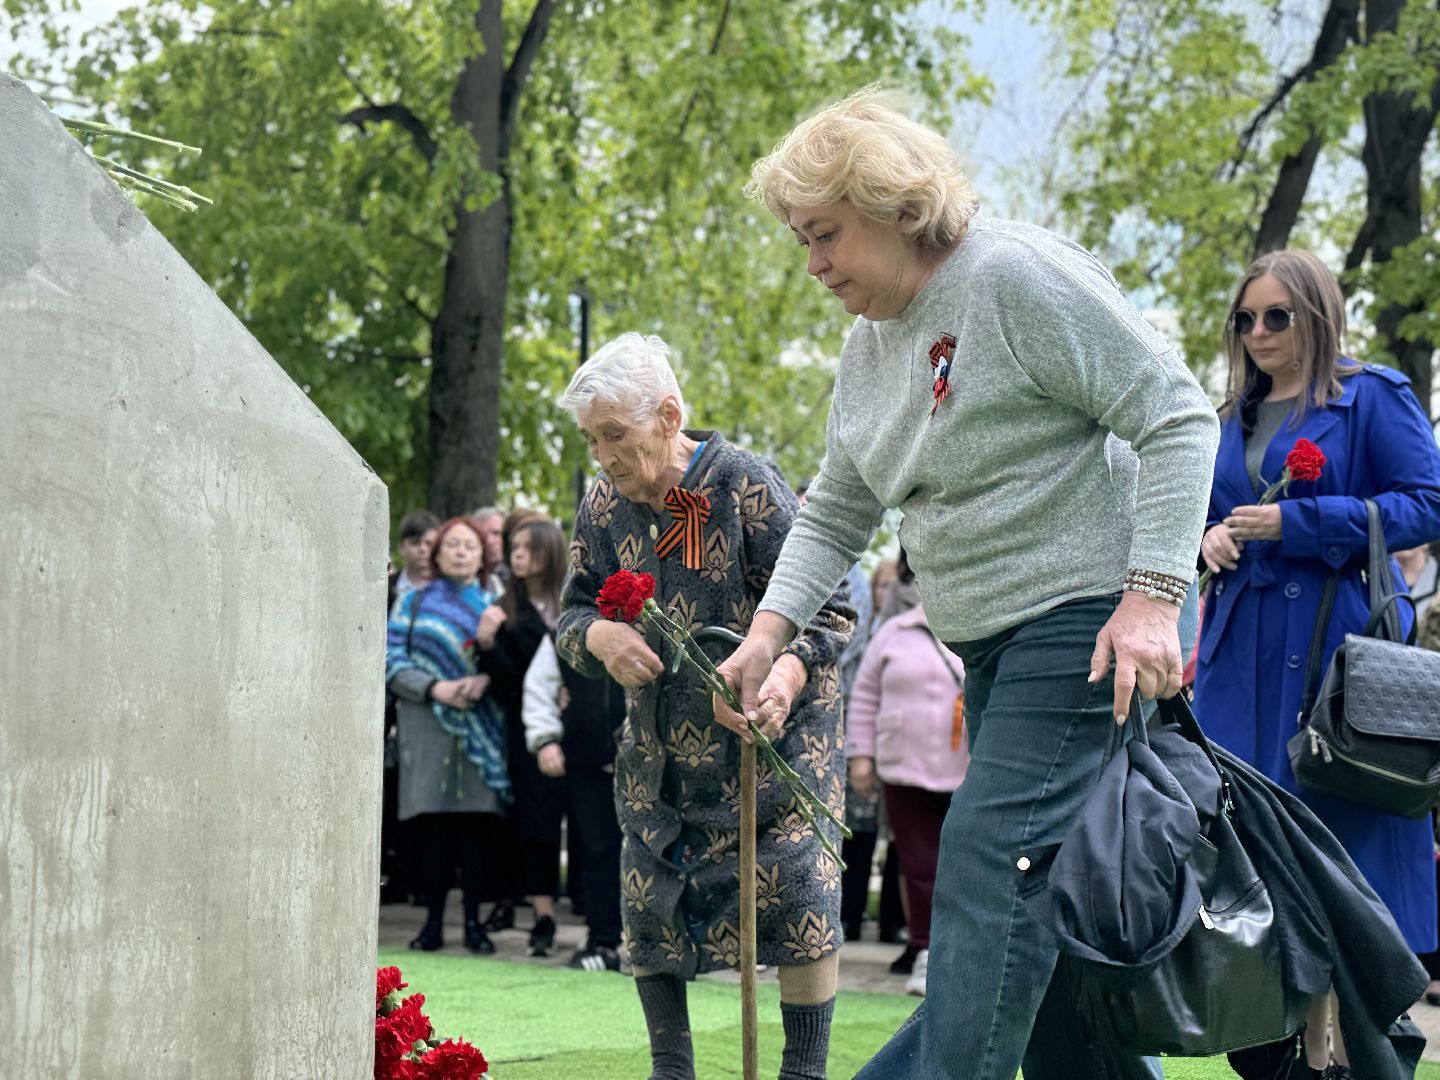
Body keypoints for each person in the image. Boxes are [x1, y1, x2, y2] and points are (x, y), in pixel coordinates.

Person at [725, 88, 1218, 1079]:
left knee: (992, 877)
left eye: (825, 236)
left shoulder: (1012, 278)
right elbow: (836, 508)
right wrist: (765, 635)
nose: (813, 264)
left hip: (1081, 628)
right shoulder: (868, 345)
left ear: (892, 205)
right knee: (1047, 920)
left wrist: (1155, 594)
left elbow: (1177, 414)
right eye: (801, 240)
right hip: (988, 649)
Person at [555, 332, 854, 1080]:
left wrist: (781, 682)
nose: (604, 458)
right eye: (593, 440)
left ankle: (803, 1072)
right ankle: (672, 1070)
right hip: (659, 759)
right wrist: (599, 639)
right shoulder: (600, 503)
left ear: (668, 414)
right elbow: (567, 616)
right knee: (650, 897)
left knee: (795, 890)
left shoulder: (746, 484)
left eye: (614, 436)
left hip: (773, 749)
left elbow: (831, 610)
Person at [1191, 249, 1440, 1079]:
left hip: (1339, 677)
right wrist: (1210, 537)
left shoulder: (1372, 397)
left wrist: (1299, 526)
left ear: (1317, 313)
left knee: (1342, 880)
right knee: (1247, 874)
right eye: (1245, 319)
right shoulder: (1231, 417)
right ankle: (1277, 1055)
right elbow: (1206, 512)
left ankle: (1356, 1051)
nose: (1258, 333)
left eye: (1277, 317)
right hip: (1239, 672)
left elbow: (1425, 505)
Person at [385, 516, 511, 954]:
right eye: (452, 545)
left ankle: (475, 926)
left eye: (469, 546)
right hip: (428, 727)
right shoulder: (411, 603)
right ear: (436, 554)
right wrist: (435, 688)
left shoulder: (496, 602)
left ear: (481, 557)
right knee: (432, 831)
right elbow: (390, 659)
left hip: (482, 727)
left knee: (476, 832)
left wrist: (485, 682)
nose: (460, 551)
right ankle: (432, 925)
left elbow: (515, 661)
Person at [846, 598, 968, 998]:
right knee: (918, 865)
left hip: (968, 766)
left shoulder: (977, 620)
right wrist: (861, 755)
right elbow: (864, 696)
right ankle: (927, 951)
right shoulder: (893, 632)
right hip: (904, 765)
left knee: (964, 863)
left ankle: (962, 953)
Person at [471, 516, 570, 957]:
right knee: (535, 823)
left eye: (528, 548)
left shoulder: (574, 605)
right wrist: (487, 642)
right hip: (524, 728)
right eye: (514, 547)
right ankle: (541, 914)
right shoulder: (503, 608)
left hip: (578, 727)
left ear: (550, 553)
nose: (517, 555)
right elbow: (503, 679)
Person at [522, 629, 628, 972]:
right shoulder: (563, 633)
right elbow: (539, 689)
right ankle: (603, 941)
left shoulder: (661, 620)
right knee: (597, 850)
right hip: (588, 758)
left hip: (651, 761)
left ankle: (668, 945)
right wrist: (545, 739)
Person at [388, 509, 441, 610]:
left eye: (429, 544)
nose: (423, 549)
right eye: (415, 543)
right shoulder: (386, 587)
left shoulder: (448, 588)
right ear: (401, 548)